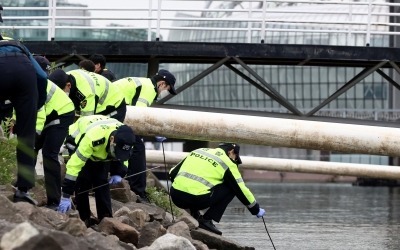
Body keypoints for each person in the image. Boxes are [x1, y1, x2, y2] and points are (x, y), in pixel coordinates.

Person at [0, 5, 48, 205]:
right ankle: (23, 190)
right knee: (26, 136)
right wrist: (36, 105)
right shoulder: (19, 45)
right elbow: (42, 76)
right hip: (24, 72)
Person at [169, 143, 266, 235]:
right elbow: (241, 189)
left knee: (198, 186)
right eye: (235, 158)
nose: (235, 160)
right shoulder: (227, 162)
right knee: (232, 187)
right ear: (231, 152)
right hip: (197, 200)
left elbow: (172, 173)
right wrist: (255, 209)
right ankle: (206, 220)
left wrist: (181, 188)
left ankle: (194, 213)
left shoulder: (198, 151)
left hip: (175, 197)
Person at [57, 115, 135, 226]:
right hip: (78, 139)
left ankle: (106, 219)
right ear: (112, 140)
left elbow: (124, 157)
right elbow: (74, 166)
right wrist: (65, 195)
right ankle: (84, 219)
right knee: (83, 180)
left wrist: (119, 172)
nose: (117, 156)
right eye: (116, 151)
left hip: (101, 149)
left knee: (101, 180)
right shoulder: (93, 138)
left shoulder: (127, 136)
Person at [113, 69, 177, 203]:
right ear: (161, 83)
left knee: (133, 146)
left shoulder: (144, 83)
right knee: (138, 149)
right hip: (115, 114)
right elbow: (139, 117)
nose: (163, 92)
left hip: (112, 112)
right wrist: (152, 133)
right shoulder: (148, 89)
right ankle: (137, 190)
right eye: (166, 88)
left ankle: (130, 182)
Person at [33, 56, 75, 210]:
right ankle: (23, 187)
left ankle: (54, 200)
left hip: (62, 114)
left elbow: (39, 111)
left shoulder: (35, 81)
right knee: (30, 149)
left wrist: (34, 133)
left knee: (49, 155)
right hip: (48, 114)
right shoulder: (21, 78)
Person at [49, 68, 126, 122]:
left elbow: (86, 121)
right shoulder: (66, 76)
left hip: (114, 107)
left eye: (61, 92)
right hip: (98, 103)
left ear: (68, 85)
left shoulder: (86, 92)